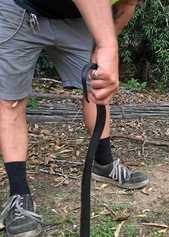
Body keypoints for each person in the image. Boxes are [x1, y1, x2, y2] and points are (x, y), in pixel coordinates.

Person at [0, 0, 149, 236]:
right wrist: (107, 44)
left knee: (97, 86)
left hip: (78, 18)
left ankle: (103, 163)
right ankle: (19, 195)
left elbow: (127, 5)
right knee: (11, 101)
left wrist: (102, 49)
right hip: (21, 10)